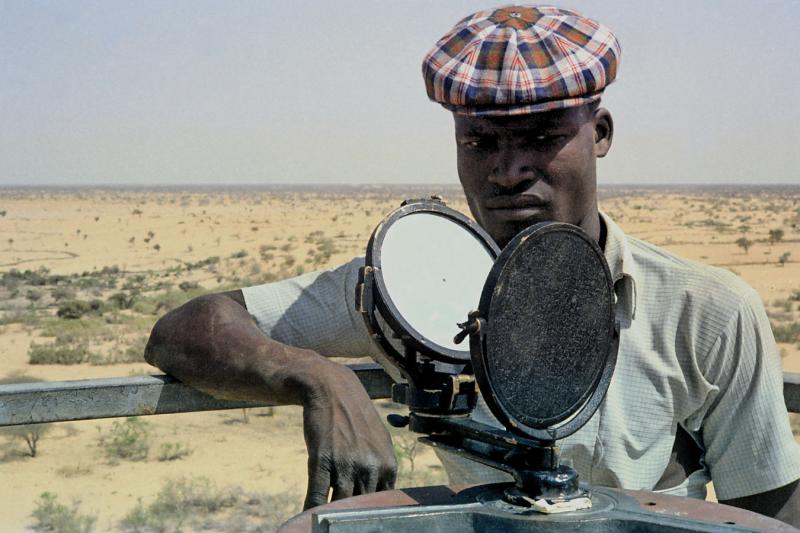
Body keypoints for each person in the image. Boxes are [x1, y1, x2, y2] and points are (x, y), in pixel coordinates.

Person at [144, 5, 800, 526]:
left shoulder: (708, 313)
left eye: (543, 138)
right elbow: (186, 329)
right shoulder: (410, 287)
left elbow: (767, 516)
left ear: (599, 133)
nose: (508, 170)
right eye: (481, 142)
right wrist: (316, 376)